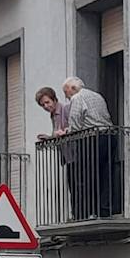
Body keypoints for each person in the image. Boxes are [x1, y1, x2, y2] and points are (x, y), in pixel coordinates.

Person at [60, 76, 117, 219]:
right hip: (109, 136)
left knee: (86, 176)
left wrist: (65, 132)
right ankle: (104, 210)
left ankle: (85, 213)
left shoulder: (77, 98)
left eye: (66, 93)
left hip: (91, 139)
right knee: (105, 174)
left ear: (72, 89)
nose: (67, 98)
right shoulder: (97, 96)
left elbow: (75, 124)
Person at [36, 86, 76, 219]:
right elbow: (57, 133)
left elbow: (75, 126)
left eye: (47, 102)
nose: (46, 106)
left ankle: (79, 214)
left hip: (75, 153)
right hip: (67, 155)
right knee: (72, 185)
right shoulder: (53, 115)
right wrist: (49, 137)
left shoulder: (65, 109)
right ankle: (76, 213)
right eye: (43, 105)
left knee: (78, 184)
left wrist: (64, 132)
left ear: (54, 99)